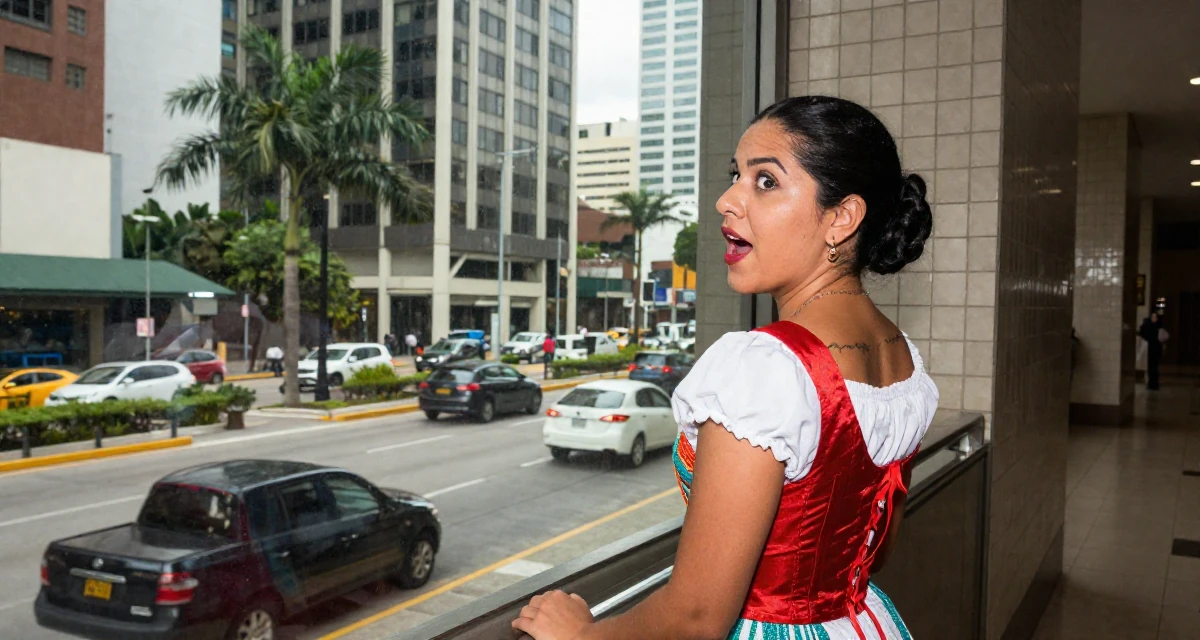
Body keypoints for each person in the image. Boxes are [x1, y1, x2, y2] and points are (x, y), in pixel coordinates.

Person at [513, 96, 938, 640]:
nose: (726, 200)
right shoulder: (902, 359)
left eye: (765, 181)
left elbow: (696, 619)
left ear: (841, 218)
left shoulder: (766, 369)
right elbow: (871, 553)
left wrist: (580, 634)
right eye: (735, 175)